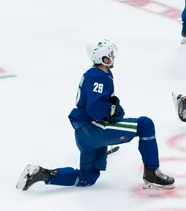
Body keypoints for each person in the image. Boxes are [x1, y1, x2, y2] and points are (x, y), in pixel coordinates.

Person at [17, 40, 174, 191]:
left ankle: (41, 174)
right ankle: (151, 172)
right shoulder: (97, 76)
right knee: (145, 125)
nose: (113, 57)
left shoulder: (98, 73)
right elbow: (95, 109)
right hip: (94, 130)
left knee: (87, 178)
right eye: (110, 55)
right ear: (103, 59)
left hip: (84, 132)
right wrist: (112, 108)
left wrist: (112, 109)